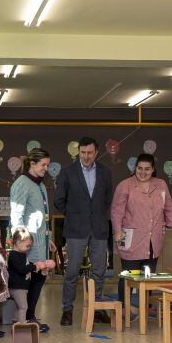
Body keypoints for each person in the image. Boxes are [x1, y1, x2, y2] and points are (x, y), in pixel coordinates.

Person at [53, 136, 113, 327]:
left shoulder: (105, 172)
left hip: (98, 228)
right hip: (75, 229)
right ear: (78, 152)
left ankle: (98, 309)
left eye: (90, 153)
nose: (86, 156)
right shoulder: (67, 172)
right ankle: (67, 310)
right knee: (71, 272)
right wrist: (74, 215)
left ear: (96, 153)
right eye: (83, 152)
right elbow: (58, 200)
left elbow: (107, 199)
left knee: (99, 272)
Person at [111, 153, 172, 303]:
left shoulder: (161, 185)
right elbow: (117, 211)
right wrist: (117, 230)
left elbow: (169, 208)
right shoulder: (125, 185)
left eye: (147, 169)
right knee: (127, 277)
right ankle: (125, 308)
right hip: (131, 239)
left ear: (153, 169)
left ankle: (144, 308)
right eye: (139, 168)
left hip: (153, 240)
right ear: (135, 168)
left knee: (148, 278)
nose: (143, 172)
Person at [10, 148, 55, 331]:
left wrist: (48, 237)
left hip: (40, 241)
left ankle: (30, 316)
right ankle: (26, 317)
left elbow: (41, 215)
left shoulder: (40, 184)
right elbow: (16, 215)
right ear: (32, 164)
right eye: (43, 165)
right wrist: (21, 241)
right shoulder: (22, 183)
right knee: (30, 280)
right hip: (28, 245)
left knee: (38, 279)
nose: (46, 168)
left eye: (48, 165)